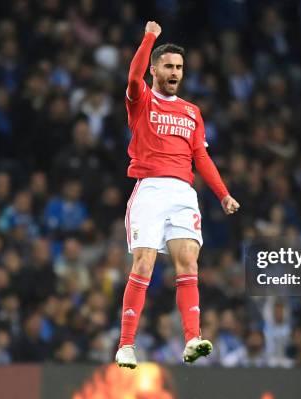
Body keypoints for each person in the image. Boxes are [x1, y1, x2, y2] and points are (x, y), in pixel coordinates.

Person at [115, 21, 240, 369]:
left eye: (179, 67)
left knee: (188, 263)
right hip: (150, 189)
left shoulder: (192, 112)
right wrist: (149, 37)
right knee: (145, 263)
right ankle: (126, 344)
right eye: (168, 66)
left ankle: (192, 339)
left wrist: (222, 194)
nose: (174, 72)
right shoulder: (141, 100)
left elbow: (201, 157)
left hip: (184, 193)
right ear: (154, 69)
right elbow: (131, 78)